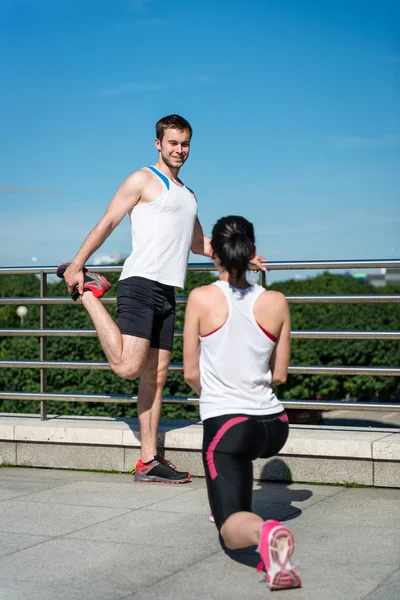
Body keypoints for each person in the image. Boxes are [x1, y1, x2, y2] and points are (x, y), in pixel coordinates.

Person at [57, 114, 267, 484]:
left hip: (168, 290)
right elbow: (108, 221)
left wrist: (241, 254)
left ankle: (148, 460)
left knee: (154, 377)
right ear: (158, 143)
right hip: (140, 283)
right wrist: (77, 263)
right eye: (172, 143)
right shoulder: (142, 179)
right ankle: (89, 293)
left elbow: (199, 243)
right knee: (127, 367)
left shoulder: (188, 194)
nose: (179, 150)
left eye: (185, 144)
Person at [183, 215, 301, 590]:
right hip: (274, 425)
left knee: (229, 530)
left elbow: (189, 373)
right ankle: (238, 506)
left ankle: (264, 533)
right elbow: (280, 375)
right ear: (252, 252)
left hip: (230, 426)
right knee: (238, 460)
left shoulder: (201, 299)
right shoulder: (276, 301)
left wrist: (218, 398)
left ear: (213, 253)